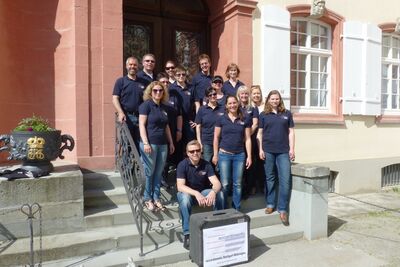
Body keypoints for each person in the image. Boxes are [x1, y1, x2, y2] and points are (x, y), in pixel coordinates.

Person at [176, 140, 224, 250]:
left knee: (219, 194)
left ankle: (219, 226)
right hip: (188, 194)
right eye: (192, 151)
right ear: (187, 153)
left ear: (201, 151)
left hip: (203, 194)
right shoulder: (182, 165)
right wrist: (196, 193)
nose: (195, 153)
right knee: (184, 198)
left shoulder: (206, 164)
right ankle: (187, 234)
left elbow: (217, 183)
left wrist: (213, 192)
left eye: (197, 150)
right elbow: (180, 186)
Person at [257, 90, 295, 226]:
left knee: (285, 180)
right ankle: (270, 203)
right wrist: (260, 149)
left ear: (280, 100)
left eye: (277, 99)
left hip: (283, 151)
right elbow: (259, 134)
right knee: (270, 178)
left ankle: (283, 209)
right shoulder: (263, 115)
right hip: (268, 151)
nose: (275, 101)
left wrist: (292, 149)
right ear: (268, 100)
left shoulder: (287, 114)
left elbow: (291, 132)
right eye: (272, 99)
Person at [139, 81, 175, 211]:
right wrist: (145, 143)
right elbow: (142, 125)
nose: (158, 92)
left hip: (162, 144)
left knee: (158, 173)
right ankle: (147, 199)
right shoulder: (145, 106)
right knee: (150, 172)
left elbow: (166, 127)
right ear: (150, 91)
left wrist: (170, 142)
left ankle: (156, 198)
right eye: (155, 90)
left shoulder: (163, 107)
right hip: (150, 144)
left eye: (160, 90)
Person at [212, 95, 252, 210]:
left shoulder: (245, 119)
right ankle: (223, 209)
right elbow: (216, 138)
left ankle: (236, 209)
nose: (232, 105)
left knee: (238, 184)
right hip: (224, 155)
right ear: (226, 106)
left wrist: (249, 156)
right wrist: (215, 154)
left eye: (234, 103)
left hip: (239, 155)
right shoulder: (221, 119)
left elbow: (248, 139)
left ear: (238, 104)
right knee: (225, 184)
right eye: (230, 103)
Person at [112, 56, 146, 151]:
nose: (132, 66)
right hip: (127, 117)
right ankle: (127, 166)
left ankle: (137, 166)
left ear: (138, 66)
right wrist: (120, 112)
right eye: (130, 64)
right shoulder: (121, 81)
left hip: (140, 118)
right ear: (126, 66)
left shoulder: (143, 82)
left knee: (141, 144)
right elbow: (115, 98)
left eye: (135, 65)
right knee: (125, 144)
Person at [157, 72, 182, 186]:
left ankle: (165, 177)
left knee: (169, 155)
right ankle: (161, 177)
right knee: (162, 155)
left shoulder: (174, 96)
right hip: (159, 131)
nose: (166, 84)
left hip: (172, 130)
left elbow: (179, 115)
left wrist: (179, 130)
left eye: (167, 82)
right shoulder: (156, 96)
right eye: (163, 82)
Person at [236, 85, 259, 198]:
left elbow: (255, 124)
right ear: (238, 96)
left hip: (250, 140)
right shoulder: (236, 107)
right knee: (240, 164)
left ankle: (250, 187)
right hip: (238, 140)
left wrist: (247, 136)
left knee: (250, 163)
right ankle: (241, 188)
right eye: (242, 94)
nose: (244, 95)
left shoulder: (253, 108)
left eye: (246, 93)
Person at [169, 66, 196, 149]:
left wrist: (197, 120)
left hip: (189, 121)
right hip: (175, 121)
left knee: (191, 144)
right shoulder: (171, 88)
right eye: (178, 75)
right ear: (174, 76)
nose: (181, 76)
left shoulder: (191, 87)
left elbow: (197, 104)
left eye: (183, 74)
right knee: (177, 145)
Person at [195, 87, 225, 163]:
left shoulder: (223, 108)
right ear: (207, 97)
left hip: (221, 141)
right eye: (210, 95)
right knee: (207, 164)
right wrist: (199, 142)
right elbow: (198, 126)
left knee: (220, 166)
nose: (212, 96)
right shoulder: (202, 109)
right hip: (207, 142)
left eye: (214, 94)